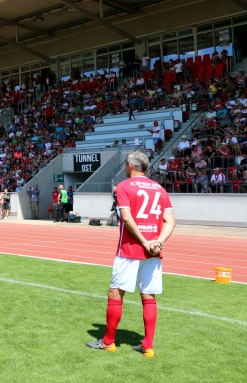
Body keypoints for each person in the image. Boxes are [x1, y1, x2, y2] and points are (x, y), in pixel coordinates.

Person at [86, 151, 176, 358]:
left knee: (115, 294)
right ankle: (148, 345)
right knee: (149, 297)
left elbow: (126, 218)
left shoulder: (124, 186)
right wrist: (158, 242)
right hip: (153, 251)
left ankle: (108, 341)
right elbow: (170, 221)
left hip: (129, 249)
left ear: (129, 166)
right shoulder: (160, 189)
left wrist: (143, 241)